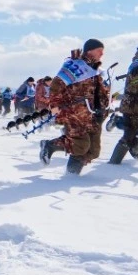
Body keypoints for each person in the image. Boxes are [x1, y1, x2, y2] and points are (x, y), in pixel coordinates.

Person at [39, 39, 109, 174]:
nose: (102, 54)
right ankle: (49, 145)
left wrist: (104, 108)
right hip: (73, 112)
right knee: (81, 145)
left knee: (93, 151)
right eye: (99, 50)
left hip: (92, 114)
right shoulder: (75, 65)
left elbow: (99, 92)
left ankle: (71, 175)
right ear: (89, 50)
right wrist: (54, 105)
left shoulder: (96, 70)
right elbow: (56, 86)